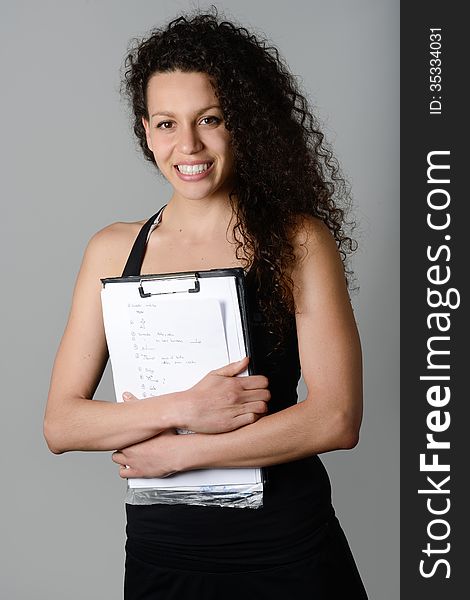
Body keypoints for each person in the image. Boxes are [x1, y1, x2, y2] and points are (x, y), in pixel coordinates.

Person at [44, 10, 368, 599]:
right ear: (146, 130)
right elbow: (62, 423)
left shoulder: (299, 242)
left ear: (241, 122)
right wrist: (189, 405)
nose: (187, 145)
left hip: (285, 547)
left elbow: (337, 418)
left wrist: (184, 453)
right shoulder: (112, 250)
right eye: (167, 123)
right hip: (162, 551)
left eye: (210, 120)